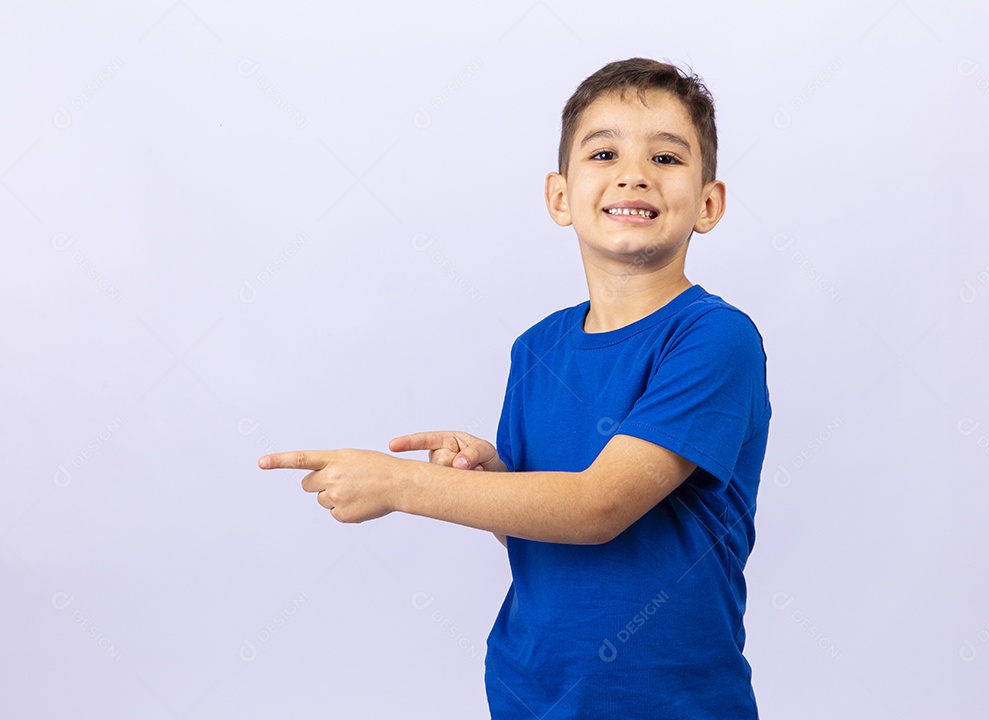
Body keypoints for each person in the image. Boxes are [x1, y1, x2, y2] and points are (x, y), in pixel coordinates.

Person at [259, 57, 771, 719]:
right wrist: (495, 475)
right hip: (529, 695)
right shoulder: (537, 349)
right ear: (560, 195)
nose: (634, 173)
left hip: (670, 703)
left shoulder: (714, 339)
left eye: (667, 158)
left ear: (709, 203)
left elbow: (597, 509)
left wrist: (396, 483)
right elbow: (539, 530)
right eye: (605, 151)